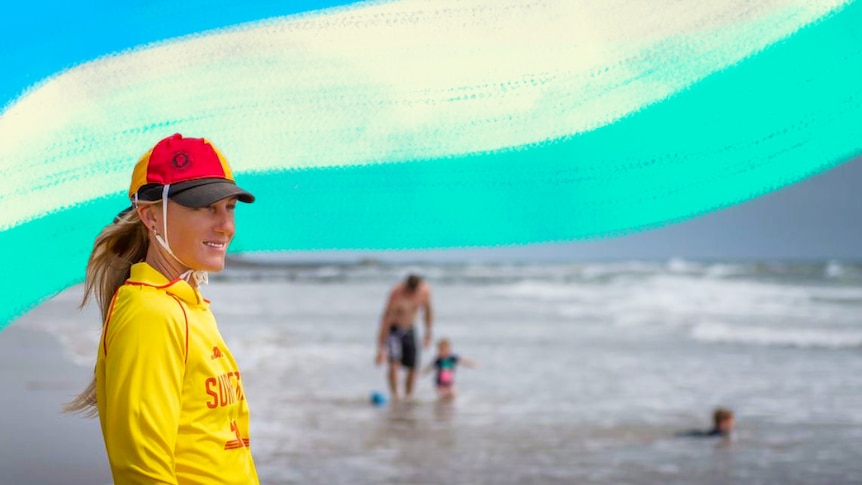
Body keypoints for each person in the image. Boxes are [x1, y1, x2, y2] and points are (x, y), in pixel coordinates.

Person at [65, 133, 260, 484]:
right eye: (205, 207)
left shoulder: (187, 304)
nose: (226, 226)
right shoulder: (149, 314)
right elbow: (142, 471)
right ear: (151, 216)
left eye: (229, 207)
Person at [375, 274, 433, 400]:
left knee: (413, 366)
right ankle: (395, 395)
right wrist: (380, 348)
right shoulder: (396, 294)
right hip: (394, 330)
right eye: (409, 291)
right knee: (394, 364)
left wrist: (428, 334)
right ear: (405, 287)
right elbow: (386, 319)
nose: (411, 295)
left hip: (410, 329)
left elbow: (428, 312)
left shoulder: (424, 292)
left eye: (414, 292)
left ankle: (408, 396)